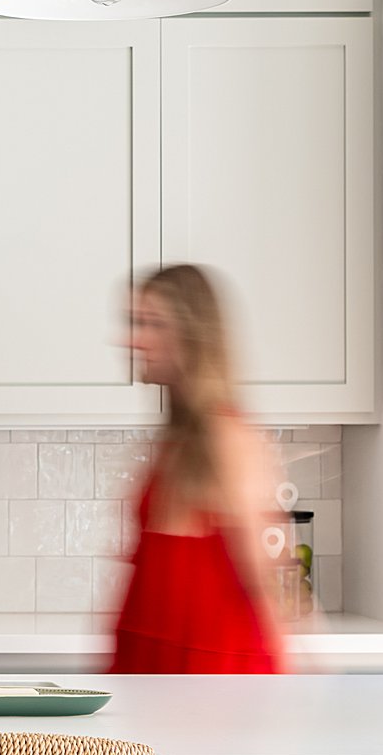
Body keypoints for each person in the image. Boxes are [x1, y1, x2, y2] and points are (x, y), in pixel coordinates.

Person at [112, 264, 285, 673]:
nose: (134, 339)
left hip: (210, 679)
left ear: (192, 335)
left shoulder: (228, 438)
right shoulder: (179, 442)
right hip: (157, 670)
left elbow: (265, 584)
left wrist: (303, 693)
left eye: (152, 323)